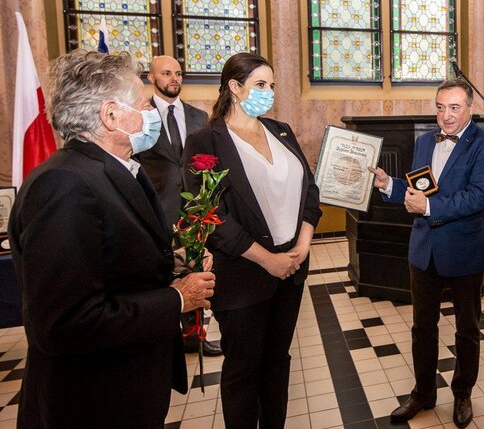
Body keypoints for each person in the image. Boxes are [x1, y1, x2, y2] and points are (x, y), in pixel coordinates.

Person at [8, 50, 215, 428]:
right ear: (111, 115)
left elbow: (115, 263)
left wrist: (176, 261)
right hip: (93, 400)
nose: (152, 113)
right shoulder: (65, 185)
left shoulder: (114, 171)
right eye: (144, 104)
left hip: (127, 387)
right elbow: (64, 323)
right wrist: (178, 297)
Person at [182, 52, 321, 429]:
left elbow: (311, 191)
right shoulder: (204, 141)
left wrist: (303, 244)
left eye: (272, 86)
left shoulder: (281, 130)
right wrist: (266, 259)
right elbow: (208, 215)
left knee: (278, 360)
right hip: (244, 274)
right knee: (244, 367)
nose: (268, 92)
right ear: (234, 87)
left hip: (291, 269)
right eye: (260, 85)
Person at [369, 78, 484, 428]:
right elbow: (418, 187)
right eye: (441, 107)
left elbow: (479, 195)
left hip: (464, 249)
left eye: (455, 107)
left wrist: (428, 207)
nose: (446, 115)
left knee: (467, 328)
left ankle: (462, 393)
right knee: (422, 327)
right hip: (424, 248)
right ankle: (423, 393)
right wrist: (389, 185)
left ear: (470, 108)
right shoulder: (425, 141)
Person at [136, 55, 222, 357]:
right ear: (152, 78)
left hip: (195, 210)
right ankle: (163, 338)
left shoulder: (199, 117)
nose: (174, 78)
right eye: (166, 73)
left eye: (178, 73)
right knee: (162, 274)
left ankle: (193, 336)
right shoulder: (140, 116)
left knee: (194, 270)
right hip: (157, 209)